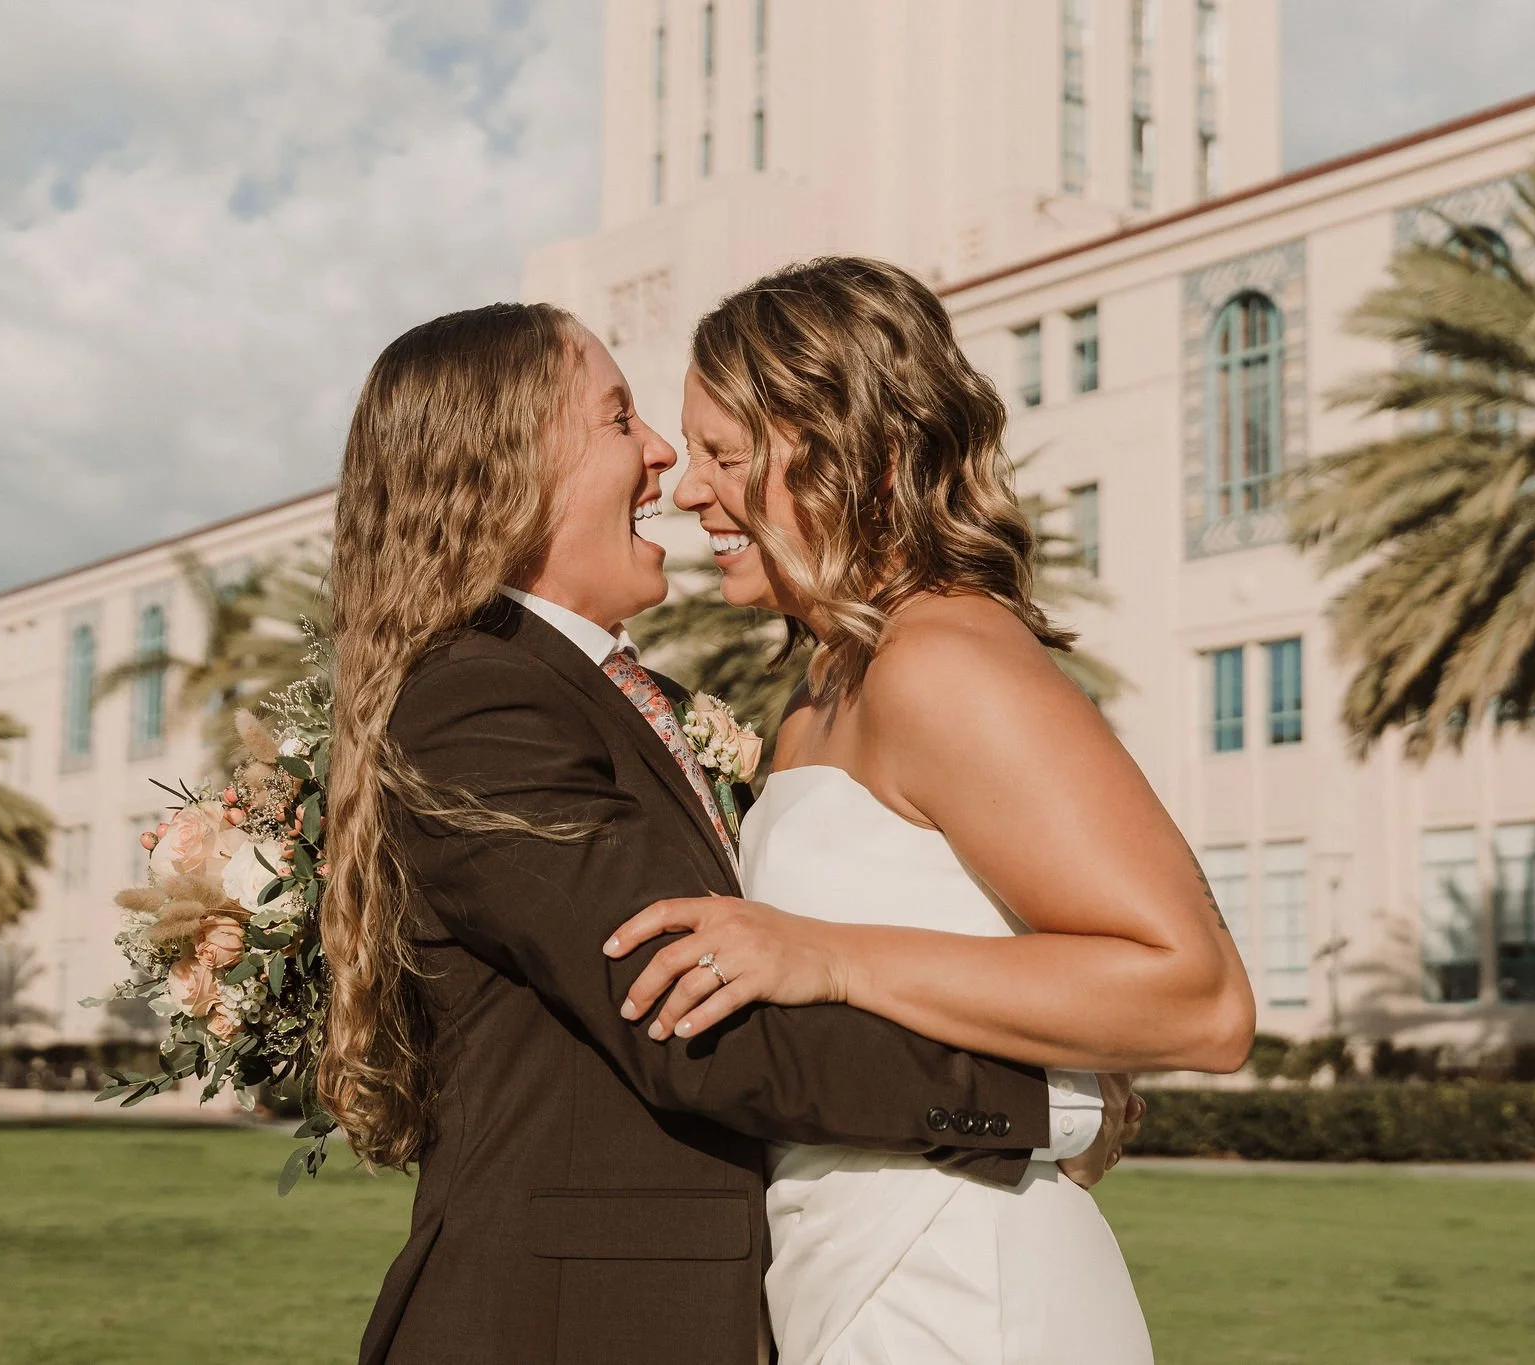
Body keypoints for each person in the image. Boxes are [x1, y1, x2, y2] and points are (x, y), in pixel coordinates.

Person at [320, 301, 1137, 1365]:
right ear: (501, 463)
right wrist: (1048, 1101)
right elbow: (694, 1018)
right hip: (563, 1326)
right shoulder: (482, 703)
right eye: (619, 420)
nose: (662, 456)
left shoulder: (615, 696)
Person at [608, 256, 1257, 1364]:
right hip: (846, 1273)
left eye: (724, 455)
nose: (685, 493)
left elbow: (1195, 997)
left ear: (855, 449)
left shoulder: (941, 660)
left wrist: (827, 956)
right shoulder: (822, 689)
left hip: (966, 1285)